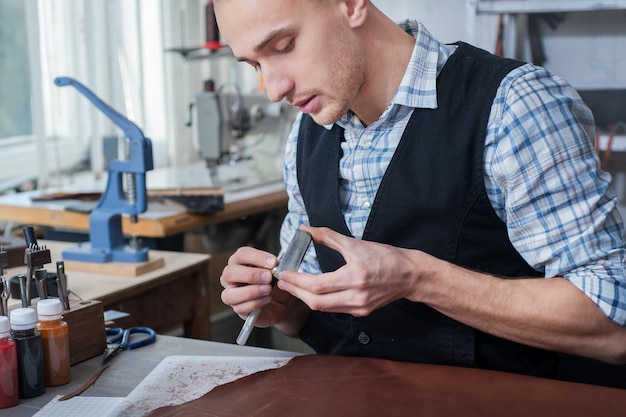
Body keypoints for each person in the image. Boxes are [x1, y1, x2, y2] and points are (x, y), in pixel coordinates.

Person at [215, 0, 626, 380]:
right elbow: (315, 313)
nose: (272, 89)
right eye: (254, 65)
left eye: (284, 46)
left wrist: (418, 279)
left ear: (352, 4)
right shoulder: (306, 135)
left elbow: (613, 323)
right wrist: (282, 305)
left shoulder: (514, 105)